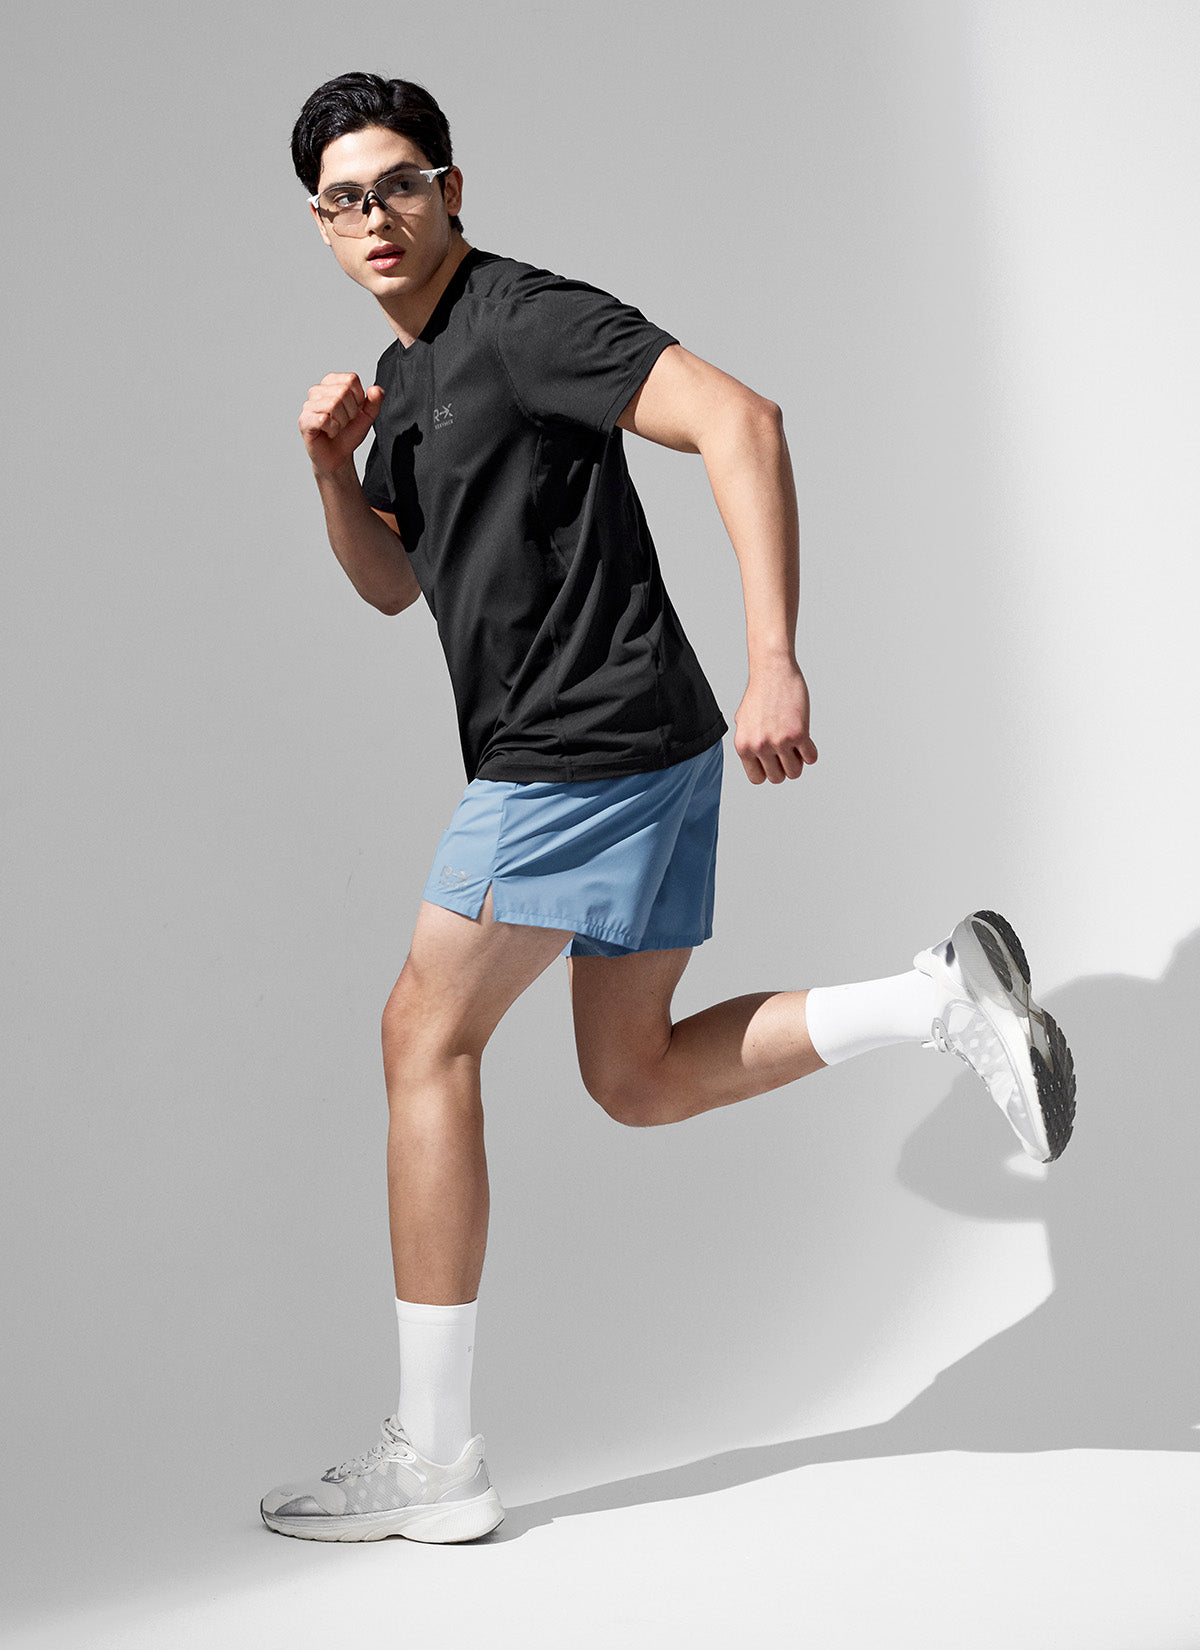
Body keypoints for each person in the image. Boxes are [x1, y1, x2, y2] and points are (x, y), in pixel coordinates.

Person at [260, 72, 1076, 1545]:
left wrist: (776, 656)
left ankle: (433, 1460)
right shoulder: (410, 381)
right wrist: (333, 473)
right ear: (319, 224)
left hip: (577, 745)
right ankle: (938, 996)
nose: (375, 217)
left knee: (421, 1037)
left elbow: (739, 419)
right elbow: (393, 584)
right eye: (343, 200)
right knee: (632, 1076)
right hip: (639, 740)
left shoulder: (520, 318)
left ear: (451, 188)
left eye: (399, 184)